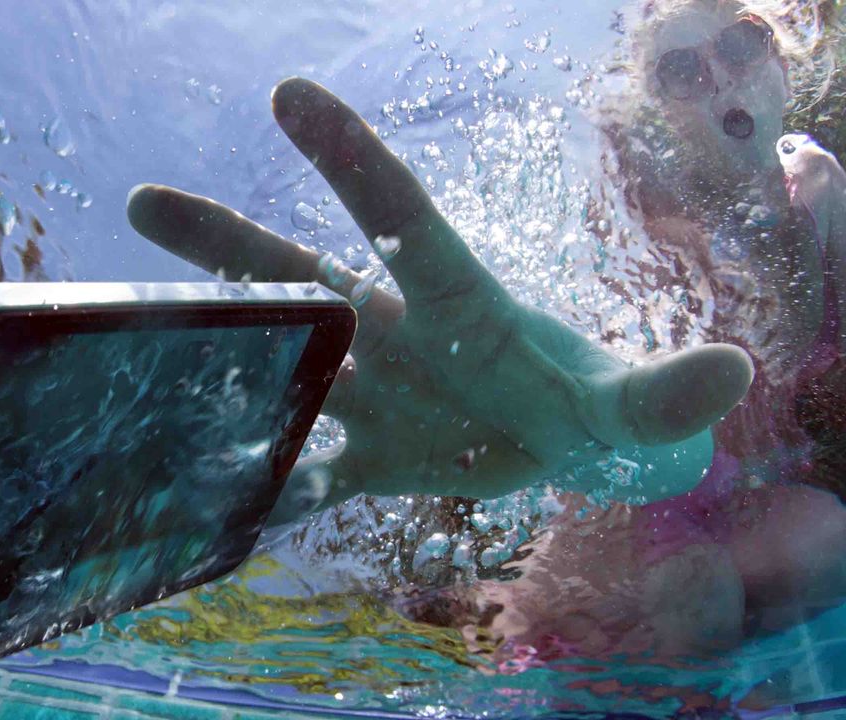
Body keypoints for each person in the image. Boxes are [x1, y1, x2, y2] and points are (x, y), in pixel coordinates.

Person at [124, 0, 846, 667]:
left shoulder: (818, 184)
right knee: (700, 606)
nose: (719, 73)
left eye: (742, 40)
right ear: (667, 110)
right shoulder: (650, 219)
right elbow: (624, 373)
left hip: (755, 484)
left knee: (823, 541)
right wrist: (567, 411)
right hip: (640, 485)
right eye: (682, 70)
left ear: (781, 57)